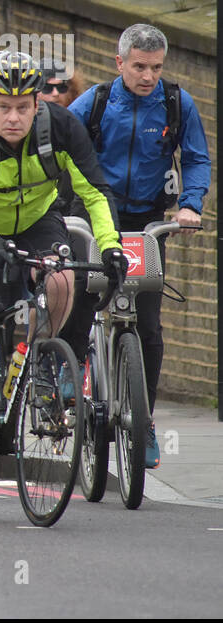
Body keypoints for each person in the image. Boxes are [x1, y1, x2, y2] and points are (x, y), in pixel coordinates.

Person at [0, 51, 125, 496]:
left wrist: (111, 246)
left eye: (23, 107)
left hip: (38, 221)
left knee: (62, 279)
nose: (13, 117)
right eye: (4, 107)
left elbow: (95, 192)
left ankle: (43, 359)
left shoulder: (60, 128)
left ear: (37, 104)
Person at [62, 24, 211, 469]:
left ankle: (143, 421)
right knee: (81, 301)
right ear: (119, 63)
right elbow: (57, 147)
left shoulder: (175, 103)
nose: (149, 76)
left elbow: (197, 157)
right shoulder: (96, 101)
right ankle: (68, 378)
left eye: (157, 67)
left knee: (147, 324)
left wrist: (189, 205)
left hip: (147, 220)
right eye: (140, 67)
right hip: (95, 214)